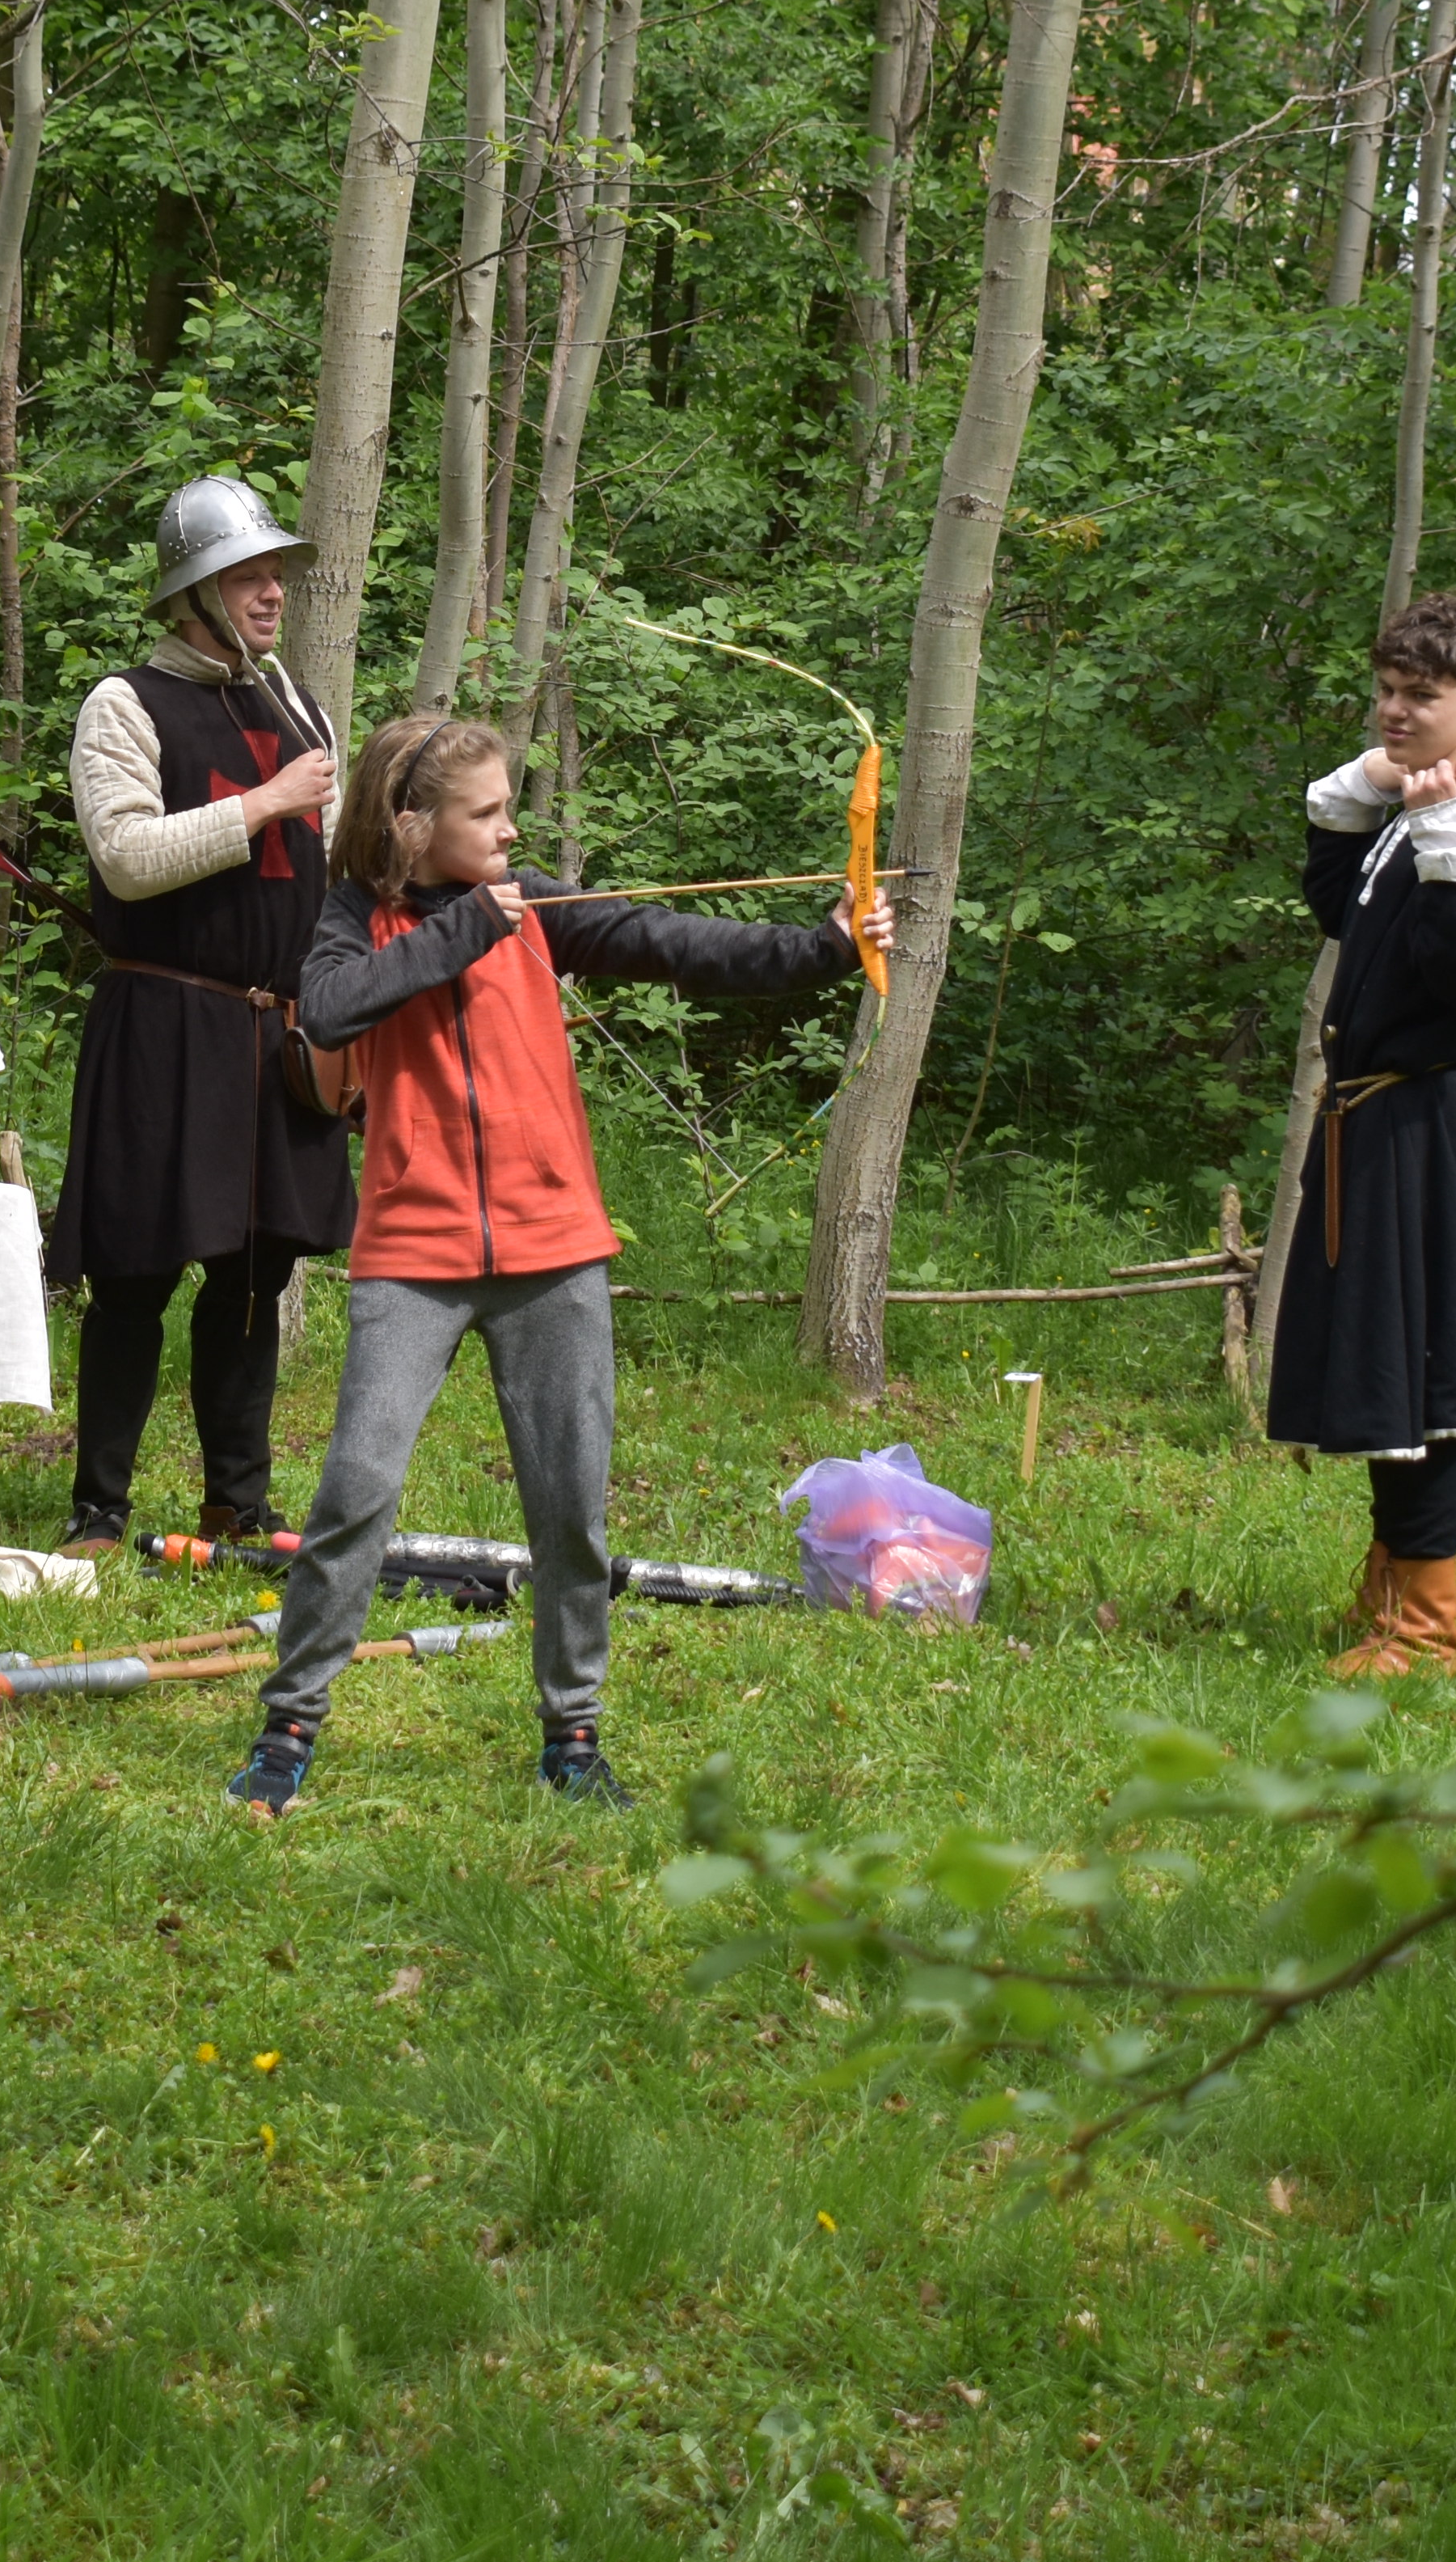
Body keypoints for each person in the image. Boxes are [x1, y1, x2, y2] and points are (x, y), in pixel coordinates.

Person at [227, 712, 887, 1819]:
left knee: (570, 1509)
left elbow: (671, 945)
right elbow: (333, 1009)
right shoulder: (357, 917)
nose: (508, 827)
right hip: (414, 1254)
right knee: (355, 1493)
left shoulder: (532, 903)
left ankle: (572, 1735)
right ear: (413, 823)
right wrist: (468, 930)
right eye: (485, 813)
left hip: (553, 1249)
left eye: (506, 807)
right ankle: (290, 1728)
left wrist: (823, 943)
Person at [44, 479, 352, 1550]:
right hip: (166, 1026)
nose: (275, 593)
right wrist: (265, 804)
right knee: (134, 1270)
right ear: (194, 591)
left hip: (275, 1035)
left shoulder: (297, 706)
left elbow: (335, 870)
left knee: (256, 1273)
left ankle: (238, 1502)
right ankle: (100, 1506)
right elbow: (126, 861)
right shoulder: (122, 704)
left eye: (276, 574)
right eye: (251, 576)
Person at [1264, 590, 1456, 1680]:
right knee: (1388, 1376)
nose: (1393, 712)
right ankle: (1387, 1603)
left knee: (1427, 1386)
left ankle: (1424, 1638)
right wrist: (1363, 797)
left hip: (1430, 1128)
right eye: (1385, 691)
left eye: (1418, 698)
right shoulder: (1411, 811)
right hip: (1377, 1125)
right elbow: (1341, 910)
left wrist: (1449, 842)